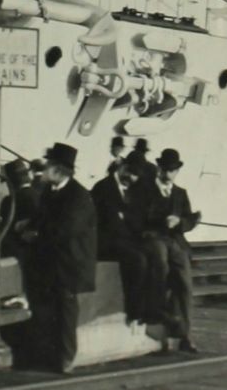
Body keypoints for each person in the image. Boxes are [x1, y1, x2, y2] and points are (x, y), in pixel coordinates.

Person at [20, 143, 96, 373]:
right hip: (53, 260)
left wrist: (35, 235)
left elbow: (66, 230)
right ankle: (48, 357)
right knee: (48, 310)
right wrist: (29, 225)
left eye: (48, 166)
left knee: (65, 311)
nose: (43, 170)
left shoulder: (79, 196)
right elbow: (43, 218)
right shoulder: (50, 192)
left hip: (70, 264)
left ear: (59, 170)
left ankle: (66, 359)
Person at [139, 148, 200, 352]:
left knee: (185, 283)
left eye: (172, 171)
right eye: (165, 170)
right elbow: (137, 217)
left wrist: (180, 221)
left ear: (177, 172)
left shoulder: (180, 193)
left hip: (175, 241)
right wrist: (160, 220)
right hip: (154, 238)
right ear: (159, 169)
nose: (168, 174)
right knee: (161, 268)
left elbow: (189, 219)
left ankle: (186, 334)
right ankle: (160, 318)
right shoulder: (145, 190)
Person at [91, 158, 148, 323]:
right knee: (137, 260)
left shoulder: (131, 189)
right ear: (122, 168)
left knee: (152, 253)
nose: (133, 178)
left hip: (123, 239)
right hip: (105, 242)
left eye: (136, 176)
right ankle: (135, 313)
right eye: (130, 173)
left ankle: (150, 310)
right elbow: (103, 222)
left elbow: (133, 218)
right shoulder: (103, 188)